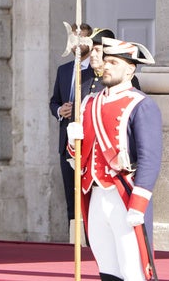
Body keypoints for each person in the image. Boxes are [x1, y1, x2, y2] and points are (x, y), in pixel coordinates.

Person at [66, 37, 161, 281]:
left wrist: (138, 205)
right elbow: (80, 155)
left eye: (114, 62)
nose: (106, 66)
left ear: (130, 69)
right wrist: (72, 140)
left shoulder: (141, 104)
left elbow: (150, 159)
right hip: (95, 193)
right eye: (105, 61)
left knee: (133, 269)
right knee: (107, 268)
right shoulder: (89, 103)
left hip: (124, 195)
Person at [49, 22, 94, 224]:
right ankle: (73, 236)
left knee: (89, 194)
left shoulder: (96, 71)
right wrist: (60, 110)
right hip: (65, 141)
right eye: (73, 39)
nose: (77, 44)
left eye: (81, 38)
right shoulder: (64, 70)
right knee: (70, 192)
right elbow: (54, 101)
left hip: (87, 142)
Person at [88, 28, 140, 93]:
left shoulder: (123, 76)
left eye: (97, 50)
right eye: (91, 50)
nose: (92, 54)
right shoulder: (82, 75)